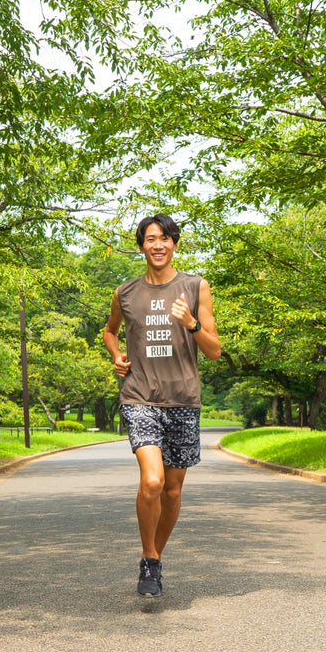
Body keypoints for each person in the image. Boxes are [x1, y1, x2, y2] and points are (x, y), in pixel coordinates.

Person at [103, 214, 221, 597]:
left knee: (171, 490)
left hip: (183, 399)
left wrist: (191, 323)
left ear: (174, 244)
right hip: (140, 396)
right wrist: (116, 354)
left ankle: (153, 561)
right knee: (152, 480)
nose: (158, 245)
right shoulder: (125, 292)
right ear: (141, 246)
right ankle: (150, 557)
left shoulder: (195, 287)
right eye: (151, 239)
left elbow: (215, 351)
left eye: (165, 238)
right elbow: (109, 331)